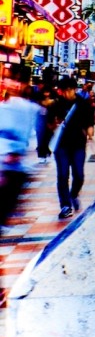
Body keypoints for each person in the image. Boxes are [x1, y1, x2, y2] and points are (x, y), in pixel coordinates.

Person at [0, 64, 44, 230]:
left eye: (16, 80)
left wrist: (13, 153)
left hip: (12, 171)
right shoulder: (5, 107)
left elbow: (28, 140)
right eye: (8, 78)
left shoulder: (30, 109)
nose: (12, 83)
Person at [47, 76, 95, 220]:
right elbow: (49, 123)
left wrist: (90, 135)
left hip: (78, 144)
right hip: (61, 145)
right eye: (64, 91)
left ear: (75, 89)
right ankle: (65, 205)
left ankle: (73, 194)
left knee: (79, 175)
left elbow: (89, 123)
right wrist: (55, 126)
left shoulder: (83, 104)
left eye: (70, 90)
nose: (67, 93)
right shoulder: (56, 104)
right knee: (62, 175)